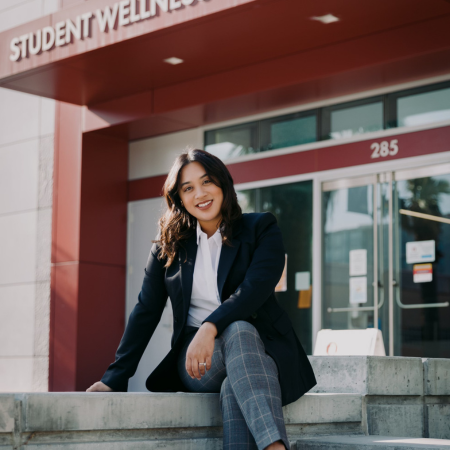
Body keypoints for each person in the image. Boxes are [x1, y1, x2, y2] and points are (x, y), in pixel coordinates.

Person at [87, 148, 316, 449]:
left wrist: (210, 326)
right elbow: (146, 310)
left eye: (207, 181)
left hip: (262, 351)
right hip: (198, 361)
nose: (200, 193)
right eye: (188, 188)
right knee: (239, 335)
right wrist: (115, 377)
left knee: (239, 350)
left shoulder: (260, 227)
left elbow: (256, 287)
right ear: (179, 198)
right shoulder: (167, 247)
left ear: (222, 183)